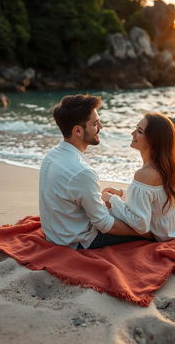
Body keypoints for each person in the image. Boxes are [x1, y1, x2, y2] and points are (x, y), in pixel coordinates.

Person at [39, 94, 151, 250]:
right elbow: (105, 225)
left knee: (125, 210)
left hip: (55, 233)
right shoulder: (82, 172)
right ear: (77, 131)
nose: (101, 127)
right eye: (95, 123)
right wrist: (145, 233)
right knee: (150, 227)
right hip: (78, 241)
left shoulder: (52, 155)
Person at [102, 113, 175, 241]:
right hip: (172, 229)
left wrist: (113, 199)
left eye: (139, 131)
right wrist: (122, 194)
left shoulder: (145, 173)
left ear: (153, 140)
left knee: (100, 215)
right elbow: (154, 200)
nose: (132, 133)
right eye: (136, 128)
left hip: (159, 234)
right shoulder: (166, 165)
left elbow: (140, 225)